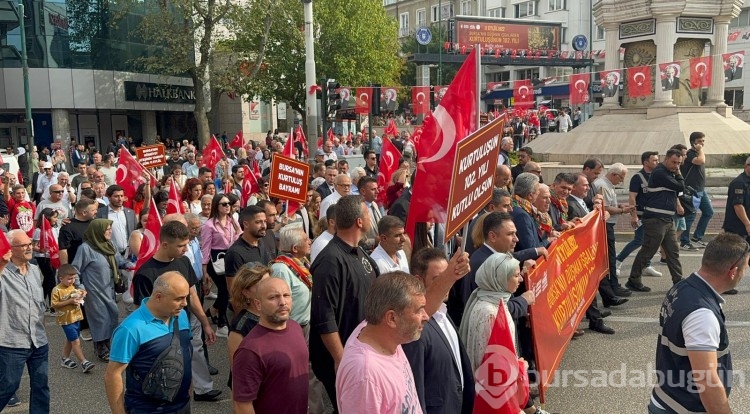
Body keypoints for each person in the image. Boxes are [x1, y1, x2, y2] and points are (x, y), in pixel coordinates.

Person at [648, 233, 746, 414]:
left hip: (666, 396)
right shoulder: (702, 314)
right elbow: (707, 382)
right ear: (732, 272)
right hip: (683, 408)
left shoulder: (683, 287)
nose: (745, 272)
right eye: (745, 267)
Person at [133, 220, 220, 402]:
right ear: (165, 244)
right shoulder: (145, 273)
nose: (186, 249)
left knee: (185, 379)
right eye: (181, 245)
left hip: (183, 331)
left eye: (187, 244)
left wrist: (205, 323)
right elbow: (140, 313)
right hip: (160, 339)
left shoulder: (184, 262)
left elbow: (192, 295)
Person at [310, 195, 380, 409]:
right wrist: (342, 361)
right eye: (367, 214)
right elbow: (325, 318)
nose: (370, 218)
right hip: (345, 359)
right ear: (359, 221)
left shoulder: (359, 253)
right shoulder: (330, 260)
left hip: (365, 353)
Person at [459, 253, 548, 414]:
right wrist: (520, 366)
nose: (520, 279)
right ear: (499, 278)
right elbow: (492, 366)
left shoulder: (492, 300)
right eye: (516, 275)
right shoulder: (490, 313)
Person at [335, 272, 427, 413]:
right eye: (419, 310)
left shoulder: (379, 332)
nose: (426, 316)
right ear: (392, 318)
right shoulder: (365, 376)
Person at [105, 273, 193, 414]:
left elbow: (185, 355)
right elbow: (113, 374)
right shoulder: (130, 329)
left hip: (182, 406)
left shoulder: (180, 315)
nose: (185, 303)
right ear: (158, 296)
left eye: (186, 297)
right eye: (179, 299)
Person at [403, 248, 474, 414]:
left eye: (448, 276)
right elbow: (415, 387)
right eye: (439, 278)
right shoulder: (416, 329)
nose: (447, 284)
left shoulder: (443, 312)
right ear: (418, 280)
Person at [232, 278, 309, 414]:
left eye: (286, 295)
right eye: (273, 297)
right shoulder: (250, 350)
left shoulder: (296, 328)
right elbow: (242, 406)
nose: (282, 302)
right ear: (258, 304)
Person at [0, 230, 50, 413]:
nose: (30, 247)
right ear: (11, 249)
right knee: (7, 387)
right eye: (24, 245)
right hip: (12, 342)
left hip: (38, 341)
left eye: (30, 243)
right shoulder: (2, 272)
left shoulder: (35, 270)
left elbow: (38, 304)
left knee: (41, 388)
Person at [72, 218, 134, 361]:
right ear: (98, 231)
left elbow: (118, 261)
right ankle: (101, 348)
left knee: (111, 317)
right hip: (94, 291)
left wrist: (130, 264)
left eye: (110, 229)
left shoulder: (109, 244)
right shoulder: (85, 249)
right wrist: (80, 288)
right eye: (107, 229)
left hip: (110, 290)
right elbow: (75, 270)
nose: (110, 231)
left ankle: (108, 345)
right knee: (100, 319)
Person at [627, 149, 686, 292]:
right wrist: (678, 174)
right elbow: (681, 186)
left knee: (673, 251)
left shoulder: (668, 173)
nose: (676, 166)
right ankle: (633, 280)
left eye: (679, 163)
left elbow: (677, 191)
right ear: (665, 159)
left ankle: (678, 281)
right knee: (648, 250)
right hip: (655, 219)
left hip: (666, 218)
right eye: (673, 162)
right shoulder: (660, 172)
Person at [616, 152, 663, 278]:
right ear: (645, 162)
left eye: (658, 160)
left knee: (652, 242)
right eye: (654, 160)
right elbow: (632, 197)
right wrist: (634, 215)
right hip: (642, 216)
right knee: (639, 240)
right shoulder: (638, 177)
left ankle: (646, 265)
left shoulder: (658, 176)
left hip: (655, 215)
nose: (657, 162)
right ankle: (617, 261)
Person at [201, 193, 241, 336]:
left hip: (229, 258)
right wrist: (205, 270)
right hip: (215, 260)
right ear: (216, 206)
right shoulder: (208, 225)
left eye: (229, 204)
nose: (227, 206)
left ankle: (213, 311)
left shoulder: (233, 222)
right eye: (224, 204)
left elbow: (239, 238)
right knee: (224, 289)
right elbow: (205, 248)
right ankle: (222, 323)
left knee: (227, 290)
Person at [592, 163, 635, 295]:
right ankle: (613, 286)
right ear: (613, 174)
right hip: (605, 224)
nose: (621, 181)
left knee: (609, 256)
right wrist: (622, 210)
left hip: (608, 223)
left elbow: (610, 204)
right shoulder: (602, 185)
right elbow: (604, 207)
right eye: (621, 178)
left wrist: (620, 206)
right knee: (609, 257)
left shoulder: (608, 185)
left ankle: (613, 286)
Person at [227, 264, 270, 389]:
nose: (269, 288)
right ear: (246, 292)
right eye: (262, 285)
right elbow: (237, 372)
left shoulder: (274, 314)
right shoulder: (240, 328)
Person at [270, 223, 312, 337]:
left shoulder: (304, 263)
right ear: (295, 248)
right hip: (292, 330)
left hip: (306, 325)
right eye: (305, 239)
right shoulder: (281, 269)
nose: (310, 241)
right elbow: (279, 304)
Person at [50, 264, 94, 373]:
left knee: (71, 339)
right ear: (61, 278)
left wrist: (82, 294)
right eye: (69, 279)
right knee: (76, 341)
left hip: (76, 317)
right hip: (66, 320)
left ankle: (65, 358)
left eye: (74, 278)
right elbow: (54, 304)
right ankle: (84, 362)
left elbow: (78, 294)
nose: (72, 281)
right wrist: (69, 301)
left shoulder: (72, 287)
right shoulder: (57, 290)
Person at [679, 132, 713, 250]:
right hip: (692, 190)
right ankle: (684, 242)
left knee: (708, 212)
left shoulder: (698, 153)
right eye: (700, 141)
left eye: (703, 141)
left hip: (700, 190)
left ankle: (697, 237)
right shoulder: (690, 154)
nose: (702, 144)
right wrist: (700, 150)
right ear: (693, 142)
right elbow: (701, 161)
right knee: (690, 216)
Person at [32, 208, 60, 314]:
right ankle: (51, 305)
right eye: (54, 217)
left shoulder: (55, 229)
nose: (56, 219)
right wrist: (39, 249)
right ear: (47, 218)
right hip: (43, 257)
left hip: (53, 256)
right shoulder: (39, 230)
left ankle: (45, 303)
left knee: (48, 280)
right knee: (50, 280)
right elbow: (33, 245)